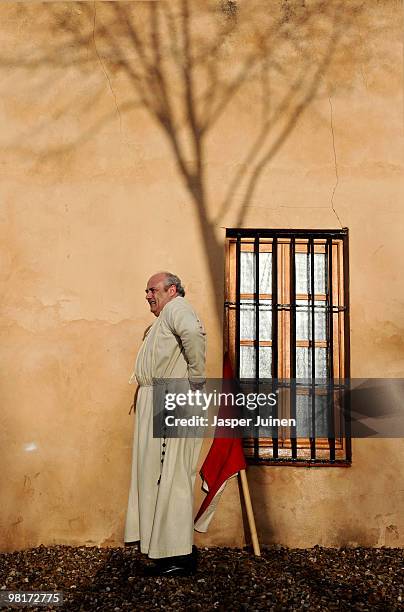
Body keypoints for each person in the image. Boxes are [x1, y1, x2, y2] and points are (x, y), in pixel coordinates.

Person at [124, 272, 206, 576]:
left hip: (172, 397)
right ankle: (165, 548)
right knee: (157, 475)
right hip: (160, 397)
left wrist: (197, 376)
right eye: (145, 290)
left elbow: (194, 335)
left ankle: (178, 555)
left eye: (152, 289)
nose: (147, 294)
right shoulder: (166, 316)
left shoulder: (177, 308)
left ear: (172, 290)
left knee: (170, 475)